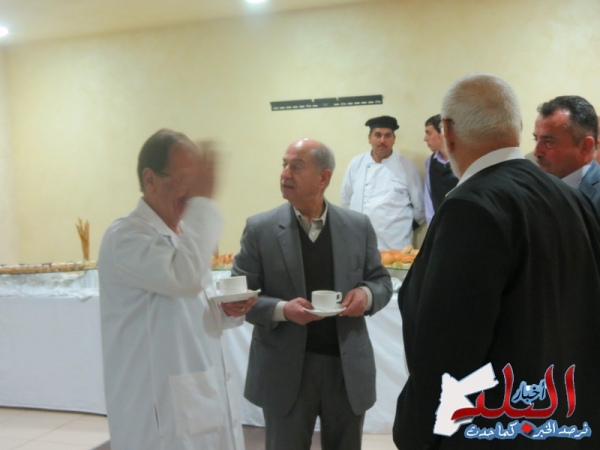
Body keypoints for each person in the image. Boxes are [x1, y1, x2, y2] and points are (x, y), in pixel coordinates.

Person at [393, 74, 600, 449]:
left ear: (448, 132)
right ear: (517, 127)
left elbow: (446, 348)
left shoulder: (470, 207)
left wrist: (419, 434)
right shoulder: (571, 198)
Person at [98, 129, 255, 450]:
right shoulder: (126, 236)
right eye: (185, 179)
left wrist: (225, 311)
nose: (192, 191)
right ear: (150, 179)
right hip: (159, 411)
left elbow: (185, 304)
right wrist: (205, 203)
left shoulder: (182, 234)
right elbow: (183, 279)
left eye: (197, 180)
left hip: (197, 395)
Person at [233, 138, 392, 450]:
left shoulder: (357, 226)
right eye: (284, 165)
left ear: (323, 178)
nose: (285, 174)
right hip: (285, 368)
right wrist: (282, 309)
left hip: (345, 369)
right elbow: (240, 296)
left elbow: (381, 282)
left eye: (296, 167)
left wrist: (366, 296)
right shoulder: (260, 229)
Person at [340, 115, 425, 250]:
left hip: (396, 245)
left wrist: (402, 229)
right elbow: (345, 201)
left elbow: (420, 208)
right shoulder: (356, 164)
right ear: (369, 138)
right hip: (360, 242)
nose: (382, 140)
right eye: (377, 135)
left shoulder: (407, 167)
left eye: (387, 136)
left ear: (394, 139)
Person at [533, 95, 600, 211]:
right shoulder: (532, 188)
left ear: (585, 146)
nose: (536, 152)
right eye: (536, 139)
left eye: (549, 142)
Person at [423, 114, 458, 224]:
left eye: (429, 133)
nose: (425, 139)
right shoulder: (430, 162)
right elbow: (429, 199)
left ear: (443, 133)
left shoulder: (462, 159)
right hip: (440, 224)